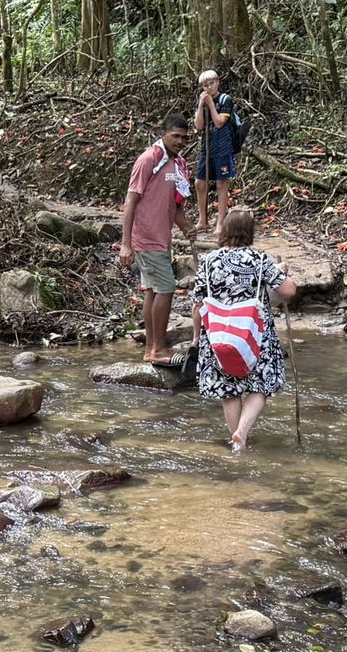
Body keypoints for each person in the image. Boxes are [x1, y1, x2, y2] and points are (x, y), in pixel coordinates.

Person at [188, 207, 297, 452]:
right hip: (254, 336)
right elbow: (288, 291)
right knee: (261, 385)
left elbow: (197, 305)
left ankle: (238, 443)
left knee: (229, 390)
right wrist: (282, 274)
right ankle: (243, 432)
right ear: (250, 232)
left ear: (225, 230)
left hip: (218, 334)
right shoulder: (258, 260)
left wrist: (196, 337)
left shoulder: (208, 262)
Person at [119, 114, 195, 366]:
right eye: (175, 136)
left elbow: (176, 204)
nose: (180, 141)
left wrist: (186, 229)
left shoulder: (178, 164)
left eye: (184, 138)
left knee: (152, 291)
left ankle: (151, 349)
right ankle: (159, 349)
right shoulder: (149, 159)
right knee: (167, 289)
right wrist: (125, 243)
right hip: (146, 238)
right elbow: (131, 201)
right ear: (163, 133)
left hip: (162, 238)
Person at [192, 69, 238, 235]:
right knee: (200, 182)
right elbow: (198, 126)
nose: (209, 87)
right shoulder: (200, 100)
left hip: (223, 146)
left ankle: (220, 222)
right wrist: (200, 105)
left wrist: (211, 104)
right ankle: (202, 220)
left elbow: (219, 122)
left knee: (221, 183)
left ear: (217, 82)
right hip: (207, 146)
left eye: (211, 83)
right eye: (205, 85)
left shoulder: (226, 100)